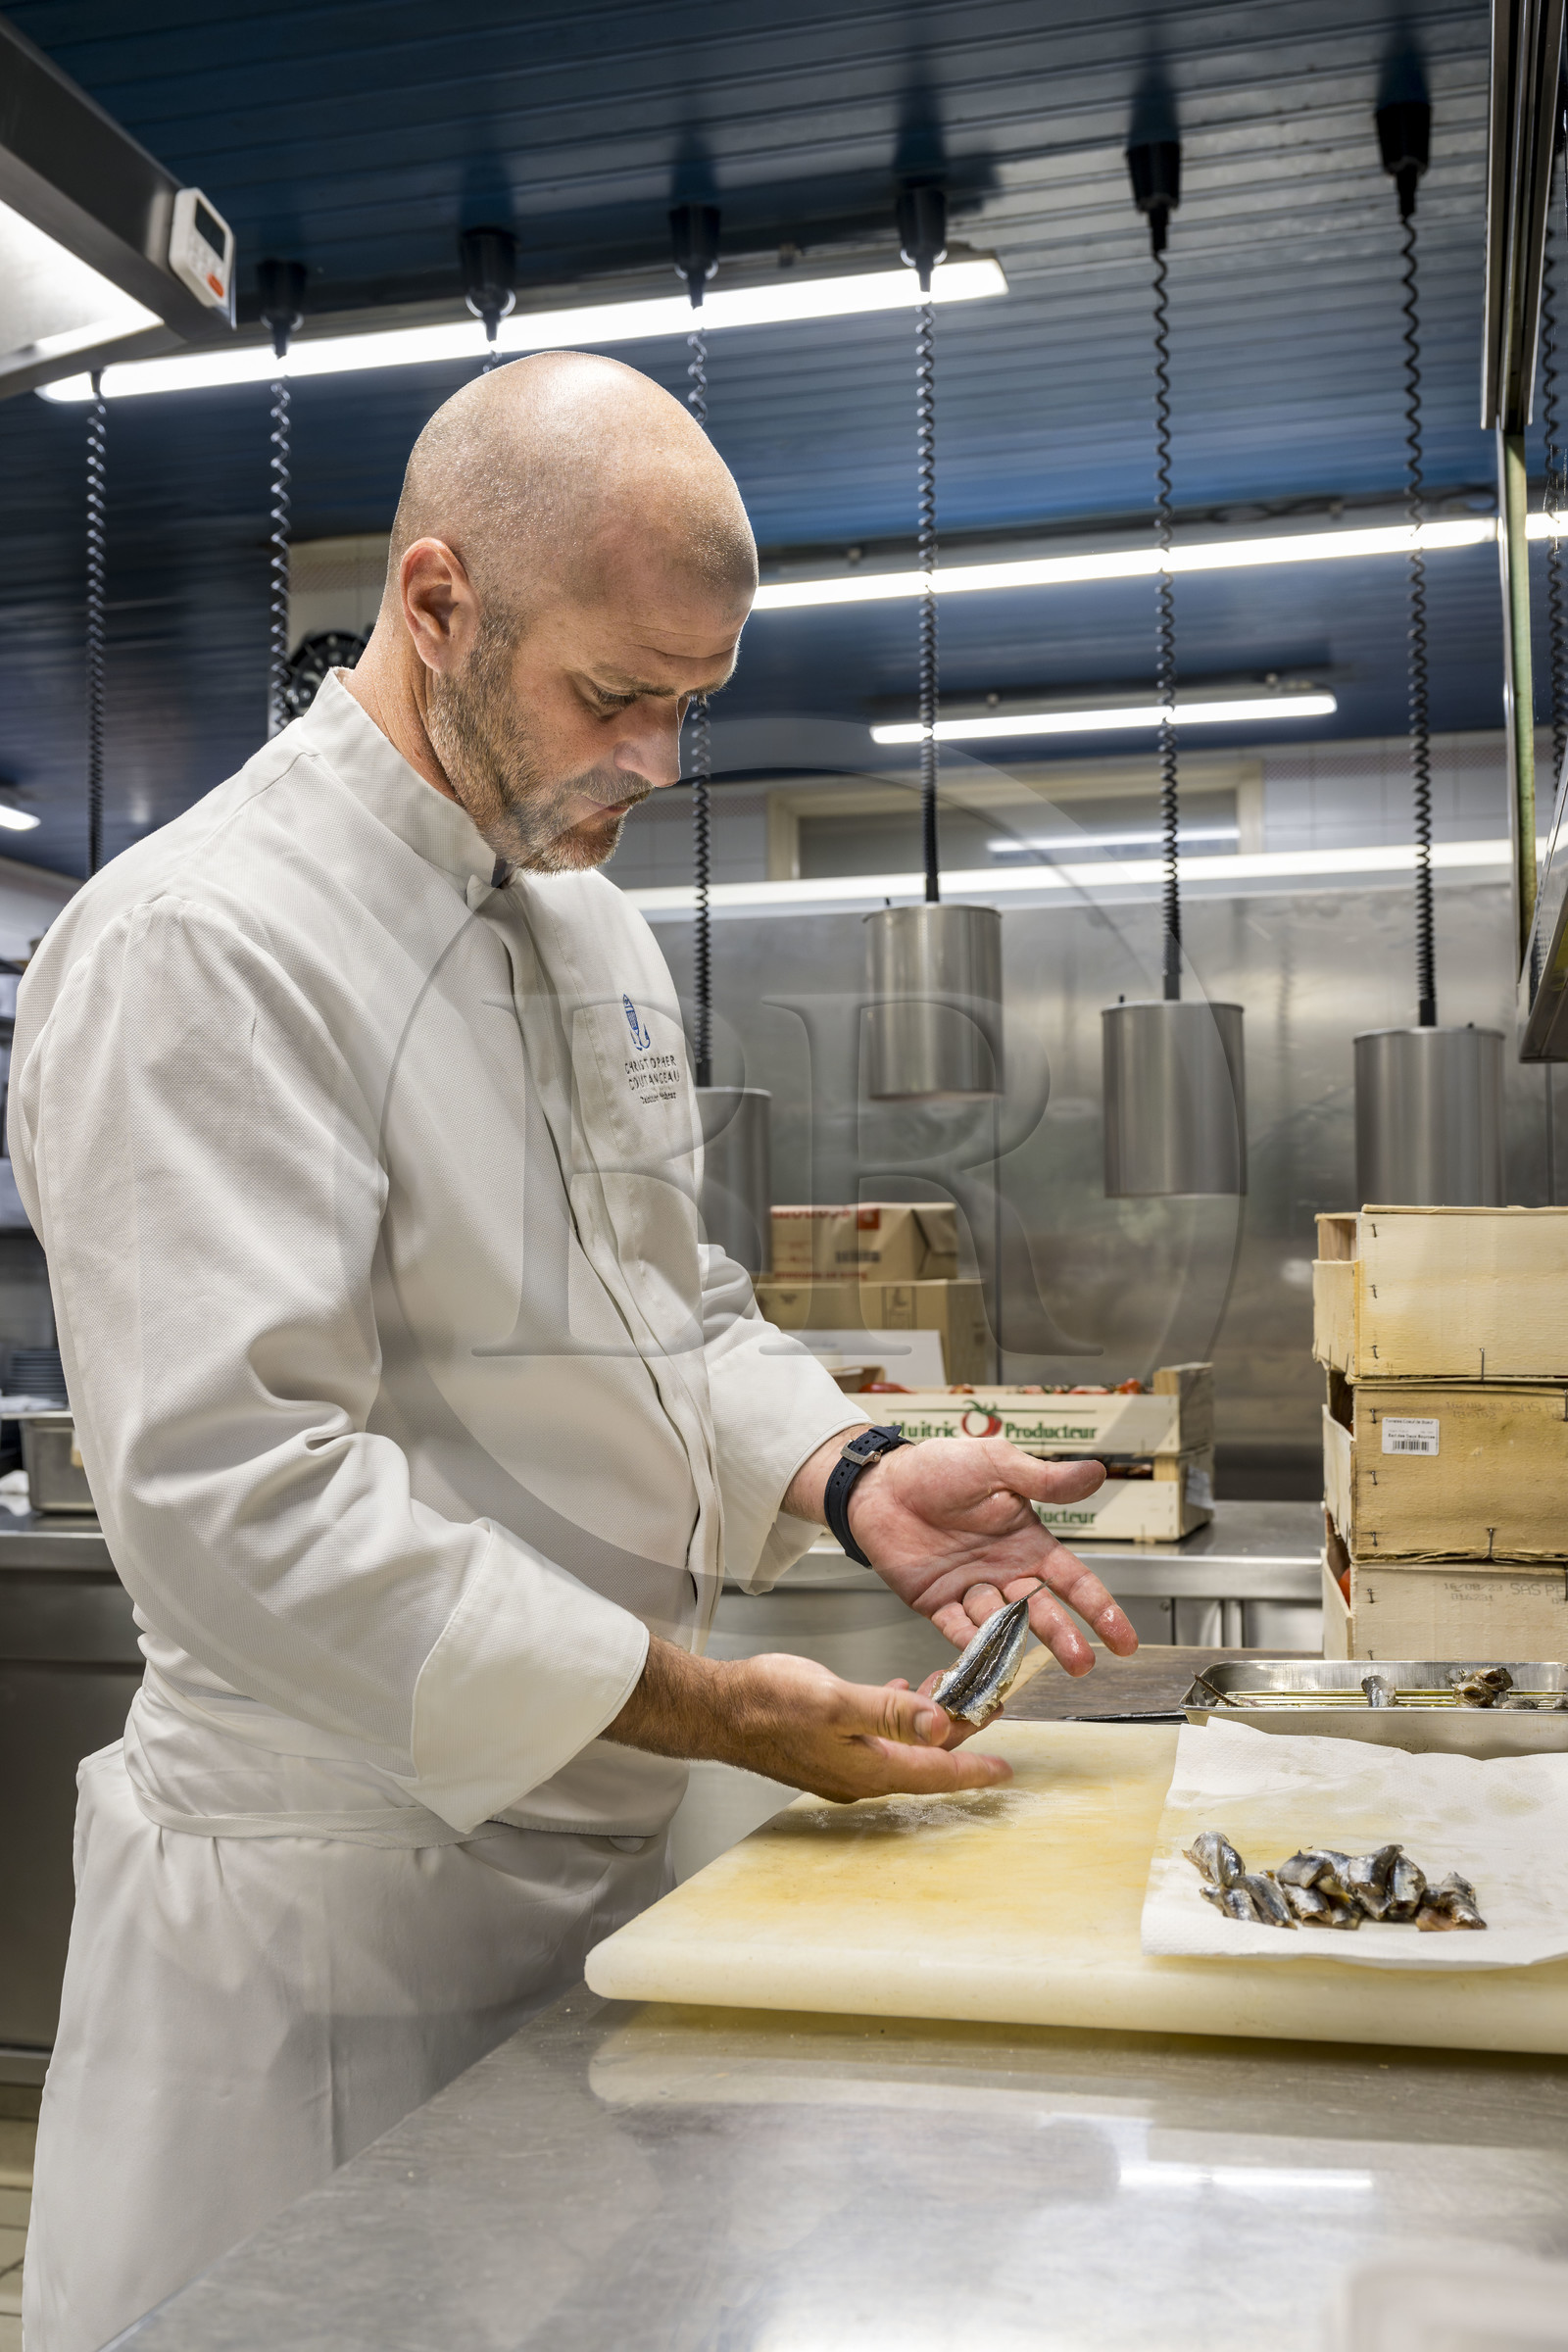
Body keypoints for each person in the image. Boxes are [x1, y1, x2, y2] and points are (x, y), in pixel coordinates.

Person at [10, 351, 1136, 2351]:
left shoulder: (588, 923)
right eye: (613, 699)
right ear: (433, 604)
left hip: (601, 1885)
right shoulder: (207, 940)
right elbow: (233, 1497)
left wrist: (847, 1474)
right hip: (330, 1919)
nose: (656, 762)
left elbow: (657, 1312)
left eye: (687, 705)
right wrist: (700, 1704)